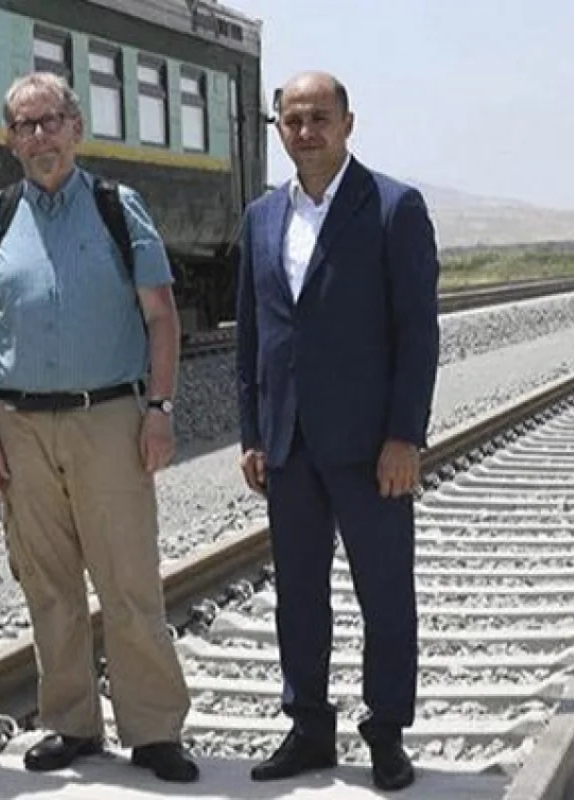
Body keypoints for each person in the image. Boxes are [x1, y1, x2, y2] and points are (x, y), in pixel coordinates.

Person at [0, 71, 198, 784]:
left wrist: (160, 410)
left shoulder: (119, 208)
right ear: (9, 140)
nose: (39, 137)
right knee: (48, 584)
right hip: (19, 427)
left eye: (50, 121)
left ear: (76, 129)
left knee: (128, 580)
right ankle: (72, 725)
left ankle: (154, 731)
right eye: (24, 126)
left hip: (110, 418)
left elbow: (161, 317)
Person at [235, 71, 439, 792]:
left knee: (384, 594)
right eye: (292, 120)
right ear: (279, 129)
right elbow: (255, 336)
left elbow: (418, 332)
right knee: (299, 594)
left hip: (370, 446)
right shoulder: (262, 217)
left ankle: (386, 733)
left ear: (348, 124)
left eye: (320, 117)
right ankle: (309, 729)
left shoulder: (392, 207)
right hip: (288, 444)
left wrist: (405, 436)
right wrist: (252, 433)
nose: (306, 131)